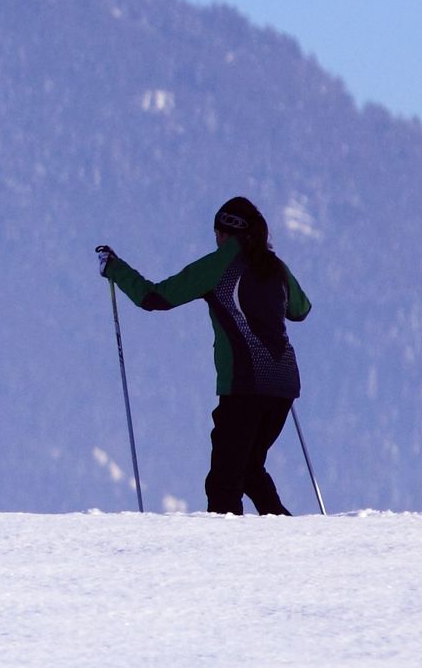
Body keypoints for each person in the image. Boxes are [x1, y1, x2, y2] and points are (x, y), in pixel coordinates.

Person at [97, 196, 310, 515]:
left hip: (244, 385)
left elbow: (155, 297)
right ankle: (291, 541)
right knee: (249, 470)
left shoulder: (221, 264)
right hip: (284, 386)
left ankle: (227, 557)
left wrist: (115, 269)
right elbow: (300, 309)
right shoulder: (275, 266)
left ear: (223, 232)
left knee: (224, 484)